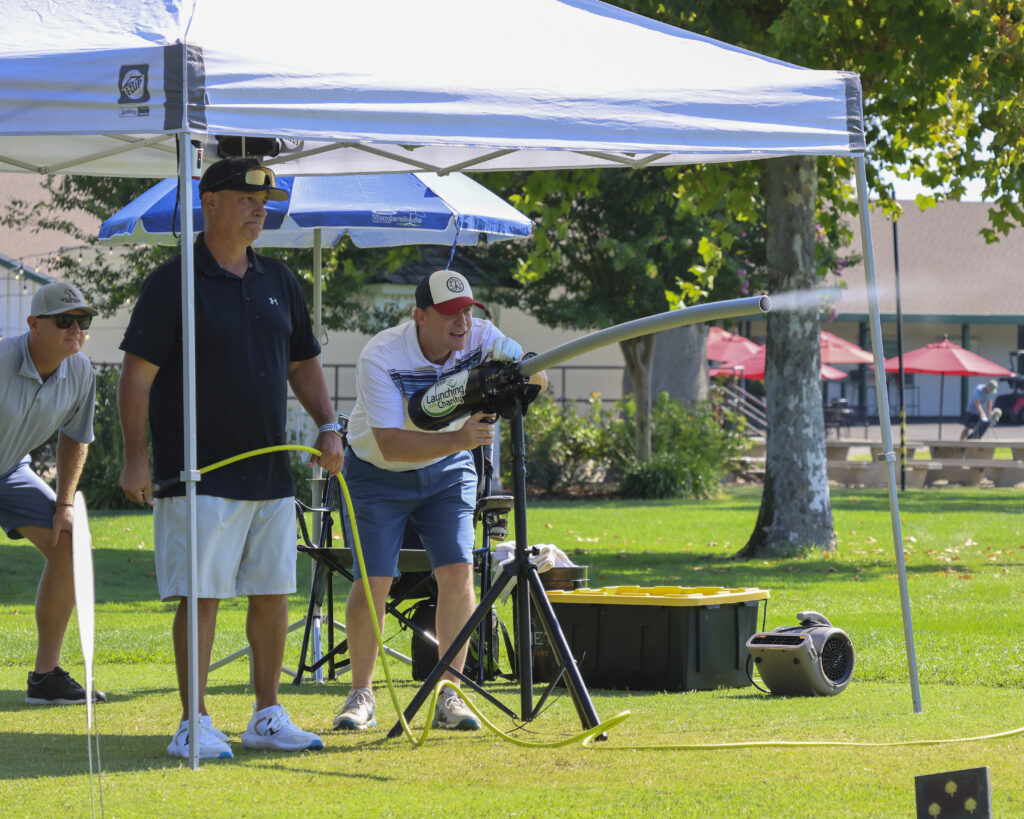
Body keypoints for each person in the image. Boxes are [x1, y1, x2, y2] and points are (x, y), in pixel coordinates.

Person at [118, 156, 345, 760]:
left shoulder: (280, 280)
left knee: (273, 594)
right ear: (208, 200)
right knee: (202, 595)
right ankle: (193, 721)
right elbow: (136, 377)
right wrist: (135, 457)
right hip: (198, 471)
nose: (259, 210)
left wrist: (329, 425)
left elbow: (303, 363)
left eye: (265, 202)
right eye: (247, 199)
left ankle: (266, 716)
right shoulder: (173, 282)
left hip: (270, 470)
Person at [332, 269, 544, 733]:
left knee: (457, 572)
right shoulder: (381, 355)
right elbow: (392, 445)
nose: (462, 323)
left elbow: (539, 376)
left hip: (447, 474)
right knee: (375, 581)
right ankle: (360, 695)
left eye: (468, 311)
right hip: (377, 474)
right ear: (419, 316)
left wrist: (520, 378)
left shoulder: (482, 336)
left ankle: (451, 692)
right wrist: (465, 438)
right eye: (449, 313)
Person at [0, 281, 105, 706]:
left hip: (9, 472)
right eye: (65, 320)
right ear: (34, 325)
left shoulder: (81, 372)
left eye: (83, 321)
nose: (75, 329)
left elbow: (75, 437)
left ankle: (45, 679)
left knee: (72, 542)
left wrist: (64, 505)